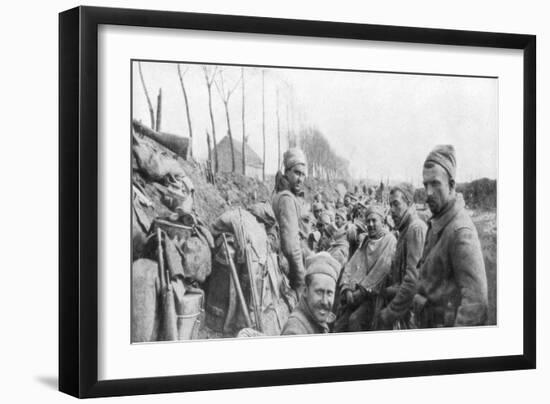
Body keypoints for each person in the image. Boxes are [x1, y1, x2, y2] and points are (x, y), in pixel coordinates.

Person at [414, 145, 488, 327]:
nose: (428, 192)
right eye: (426, 185)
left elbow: (476, 305)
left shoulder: (460, 232)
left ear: (452, 185)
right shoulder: (439, 220)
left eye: (435, 184)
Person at [334, 205, 397, 332]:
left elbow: (380, 271)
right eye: (368, 221)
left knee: (354, 320)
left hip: (376, 296)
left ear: (382, 222)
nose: (370, 224)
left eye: (374, 220)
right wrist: (347, 288)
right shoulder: (367, 241)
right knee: (339, 323)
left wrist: (361, 292)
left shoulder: (389, 240)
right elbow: (351, 265)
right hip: (357, 294)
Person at [378, 183, 427, 329]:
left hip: (411, 315)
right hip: (404, 309)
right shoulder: (405, 229)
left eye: (396, 204)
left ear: (409, 203)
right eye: (390, 205)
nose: (391, 210)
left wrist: (389, 312)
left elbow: (412, 282)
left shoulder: (415, 228)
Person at [272, 148, 312, 297]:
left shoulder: (285, 195)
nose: (300, 179)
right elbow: (291, 247)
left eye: (303, 174)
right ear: (287, 172)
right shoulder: (286, 199)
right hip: (288, 270)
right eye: (296, 173)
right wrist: (301, 280)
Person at [281, 252, 339, 335]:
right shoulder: (295, 331)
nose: (325, 301)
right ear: (305, 291)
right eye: (319, 292)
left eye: (329, 293)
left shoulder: (317, 319)